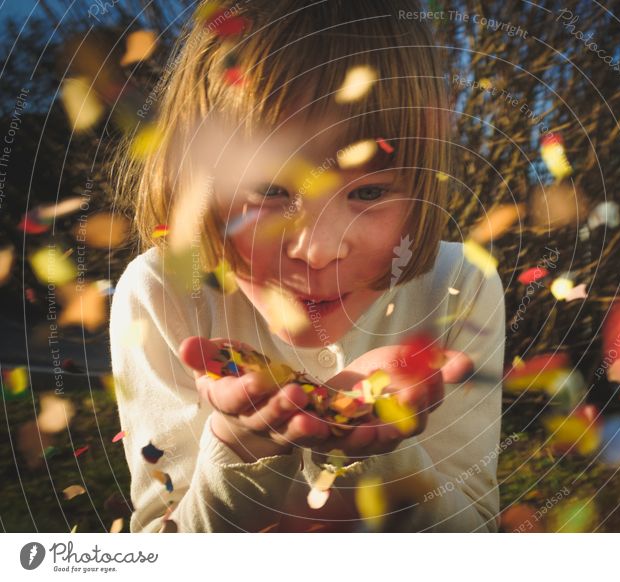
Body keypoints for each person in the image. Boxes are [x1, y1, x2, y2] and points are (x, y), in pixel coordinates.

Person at [110, 0, 506, 532]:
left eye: (368, 191)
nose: (318, 250)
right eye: (271, 190)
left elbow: (478, 532)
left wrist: (380, 459)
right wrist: (236, 451)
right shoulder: (160, 291)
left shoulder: (460, 285)